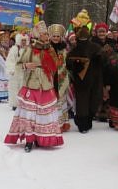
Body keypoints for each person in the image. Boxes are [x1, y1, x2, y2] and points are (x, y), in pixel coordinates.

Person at [4, 21, 63, 152]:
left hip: (46, 85)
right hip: (31, 84)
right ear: (37, 35)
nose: (46, 36)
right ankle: (29, 141)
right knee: (30, 114)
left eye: (47, 34)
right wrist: (26, 66)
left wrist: (52, 59)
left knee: (43, 115)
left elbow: (57, 65)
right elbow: (18, 65)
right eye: (43, 34)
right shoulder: (30, 49)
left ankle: (41, 138)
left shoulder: (50, 48)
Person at [66, 10, 104, 133]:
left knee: (93, 100)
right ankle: (83, 123)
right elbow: (69, 63)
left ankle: (86, 120)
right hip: (81, 80)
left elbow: (103, 61)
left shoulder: (95, 47)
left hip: (94, 79)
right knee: (82, 102)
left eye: (85, 35)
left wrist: (99, 59)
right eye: (81, 36)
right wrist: (76, 65)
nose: (83, 37)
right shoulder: (75, 49)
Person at [49, 23, 71, 132]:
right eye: (54, 36)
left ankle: (61, 123)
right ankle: (50, 123)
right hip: (49, 77)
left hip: (61, 77)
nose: (56, 38)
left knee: (61, 100)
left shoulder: (64, 49)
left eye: (58, 36)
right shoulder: (47, 48)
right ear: (50, 36)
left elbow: (66, 63)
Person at [6, 33, 26, 111]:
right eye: (22, 40)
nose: (23, 42)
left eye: (25, 40)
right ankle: (14, 104)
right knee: (14, 88)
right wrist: (11, 69)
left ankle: (23, 103)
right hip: (15, 71)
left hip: (24, 71)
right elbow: (10, 60)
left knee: (23, 87)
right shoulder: (14, 49)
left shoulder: (27, 49)